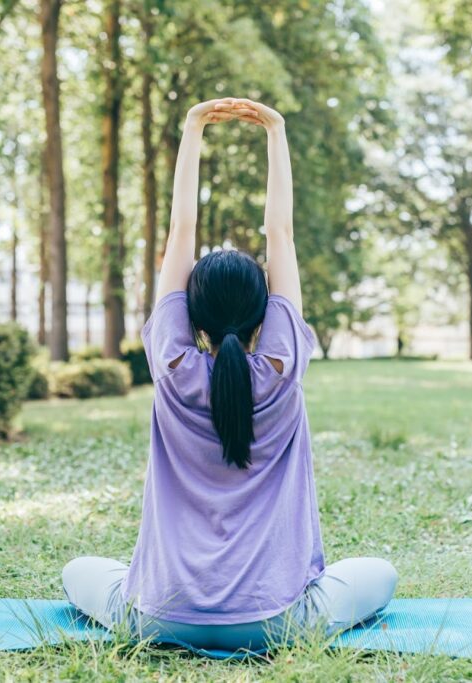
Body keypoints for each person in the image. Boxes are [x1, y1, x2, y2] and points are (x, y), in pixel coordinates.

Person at [60, 97, 397, 653]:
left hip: (156, 620)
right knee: (377, 572)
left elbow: (180, 230)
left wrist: (193, 126)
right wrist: (276, 131)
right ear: (267, 310)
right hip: (280, 624)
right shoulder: (283, 369)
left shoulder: (172, 365)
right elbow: (280, 234)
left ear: (188, 311)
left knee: (81, 570)